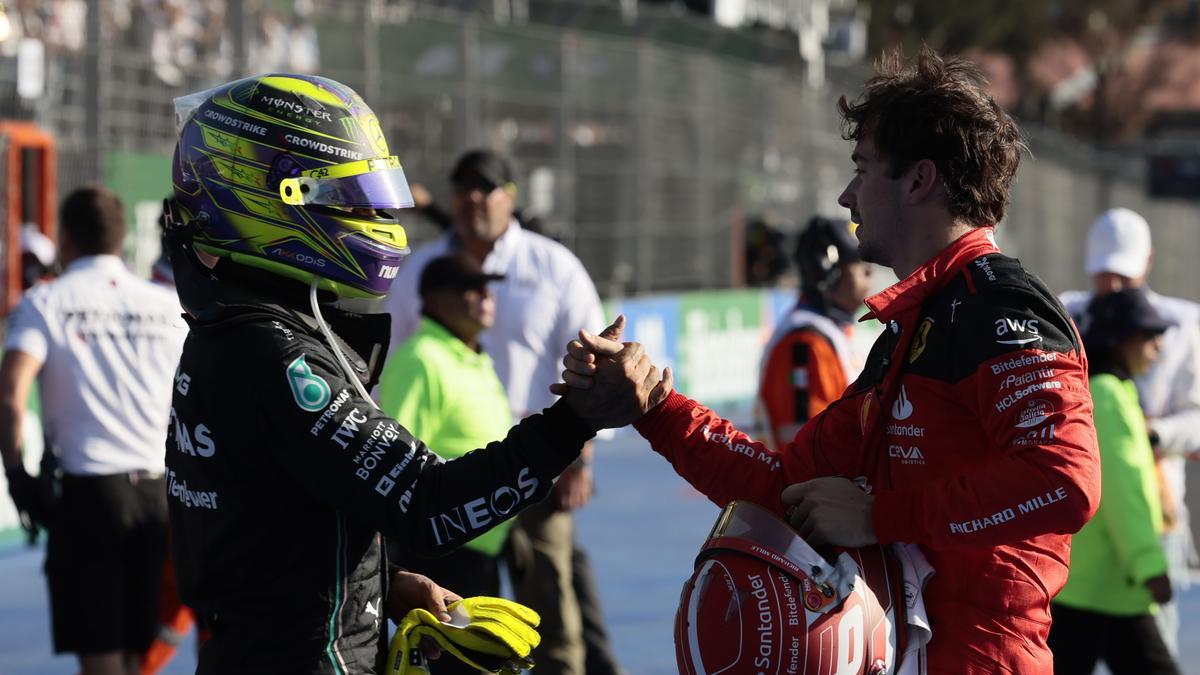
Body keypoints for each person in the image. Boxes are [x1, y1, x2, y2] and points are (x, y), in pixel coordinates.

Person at [558, 46, 1101, 673]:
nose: (848, 195)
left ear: (919, 180)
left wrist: (882, 516)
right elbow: (786, 489)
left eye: (863, 168)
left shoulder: (999, 307)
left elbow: (1064, 481)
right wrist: (653, 408)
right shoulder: (913, 324)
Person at [163, 73, 666, 675]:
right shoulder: (276, 354)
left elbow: (274, 526)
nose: (373, 215)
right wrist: (575, 420)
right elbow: (427, 504)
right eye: (349, 198)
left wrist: (379, 587)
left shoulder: (238, 330)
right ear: (277, 199)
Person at [384, 149, 622, 675]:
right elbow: (401, 358)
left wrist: (580, 458)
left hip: (544, 467)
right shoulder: (418, 270)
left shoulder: (554, 266)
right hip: (457, 481)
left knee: (556, 606)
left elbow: (594, 359)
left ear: (510, 196)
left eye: (486, 186)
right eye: (462, 185)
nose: (473, 196)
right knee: (469, 619)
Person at [0, 186, 187, 675]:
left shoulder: (46, 302)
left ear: (65, 239)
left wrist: (18, 478)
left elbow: (9, 396)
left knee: (101, 661)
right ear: (121, 238)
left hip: (87, 498)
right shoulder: (166, 306)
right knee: (136, 657)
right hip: (156, 496)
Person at [1060, 207, 1200, 658]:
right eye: (1104, 275)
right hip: (1085, 524)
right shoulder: (1066, 314)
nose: (1113, 286)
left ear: (1148, 263)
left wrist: (1150, 436)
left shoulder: (1183, 327)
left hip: (1155, 514)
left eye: (1124, 275)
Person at [377, 253, 512, 675]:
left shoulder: (470, 354)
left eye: (487, 288)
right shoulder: (421, 359)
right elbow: (394, 461)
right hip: (442, 550)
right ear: (435, 299)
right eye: (470, 289)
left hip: (478, 544)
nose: (484, 297)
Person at [1048, 287, 1179, 674]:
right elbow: (1123, 491)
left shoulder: (1111, 390)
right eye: (1149, 335)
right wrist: (1148, 565)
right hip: (1104, 583)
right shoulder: (1107, 395)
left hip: (1091, 583)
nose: (1157, 346)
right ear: (1122, 340)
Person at [757, 216, 873, 449]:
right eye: (857, 261)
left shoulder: (831, 332)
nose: (869, 271)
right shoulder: (806, 342)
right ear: (826, 270)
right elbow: (806, 447)